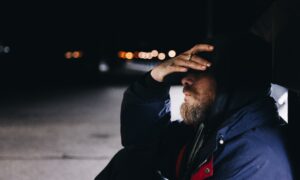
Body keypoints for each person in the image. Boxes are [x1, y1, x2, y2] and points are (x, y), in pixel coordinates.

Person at [95, 32, 293, 180]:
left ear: (231, 81)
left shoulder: (255, 157)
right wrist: (155, 79)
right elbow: (141, 144)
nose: (185, 79)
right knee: (128, 164)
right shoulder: (212, 129)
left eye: (201, 70)